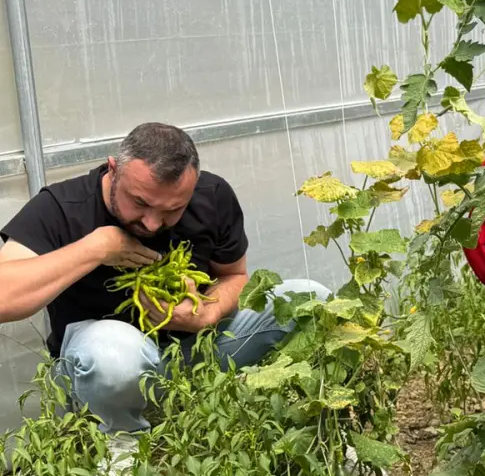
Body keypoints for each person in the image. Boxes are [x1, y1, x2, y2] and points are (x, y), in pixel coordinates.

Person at [0, 122, 327, 439]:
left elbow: (235, 276)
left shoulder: (212, 195)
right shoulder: (61, 207)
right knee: (112, 352)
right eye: (140, 203)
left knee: (310, 300)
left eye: (173, 209)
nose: (153, 223)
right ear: (113, 170)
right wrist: (96, 248)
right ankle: (123, 443)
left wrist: (207, 313)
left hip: (197, 348)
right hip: (106, 368)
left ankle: (299, 419)